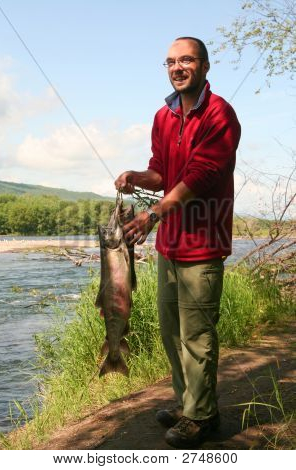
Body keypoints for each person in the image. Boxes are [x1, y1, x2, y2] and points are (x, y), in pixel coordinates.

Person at [114, 36, 241, 449]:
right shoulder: (162, 116)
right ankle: (189, 405)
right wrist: (137, 176)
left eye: (186, 59)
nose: (177, 67)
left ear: (204, 66)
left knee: (197, 337)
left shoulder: (220, 113)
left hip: (203, 244)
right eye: (170, 62)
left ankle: (202, 418)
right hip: (169, 245)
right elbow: (162, 173)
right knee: (172, 333)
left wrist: (151, 215)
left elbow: (200, 176)